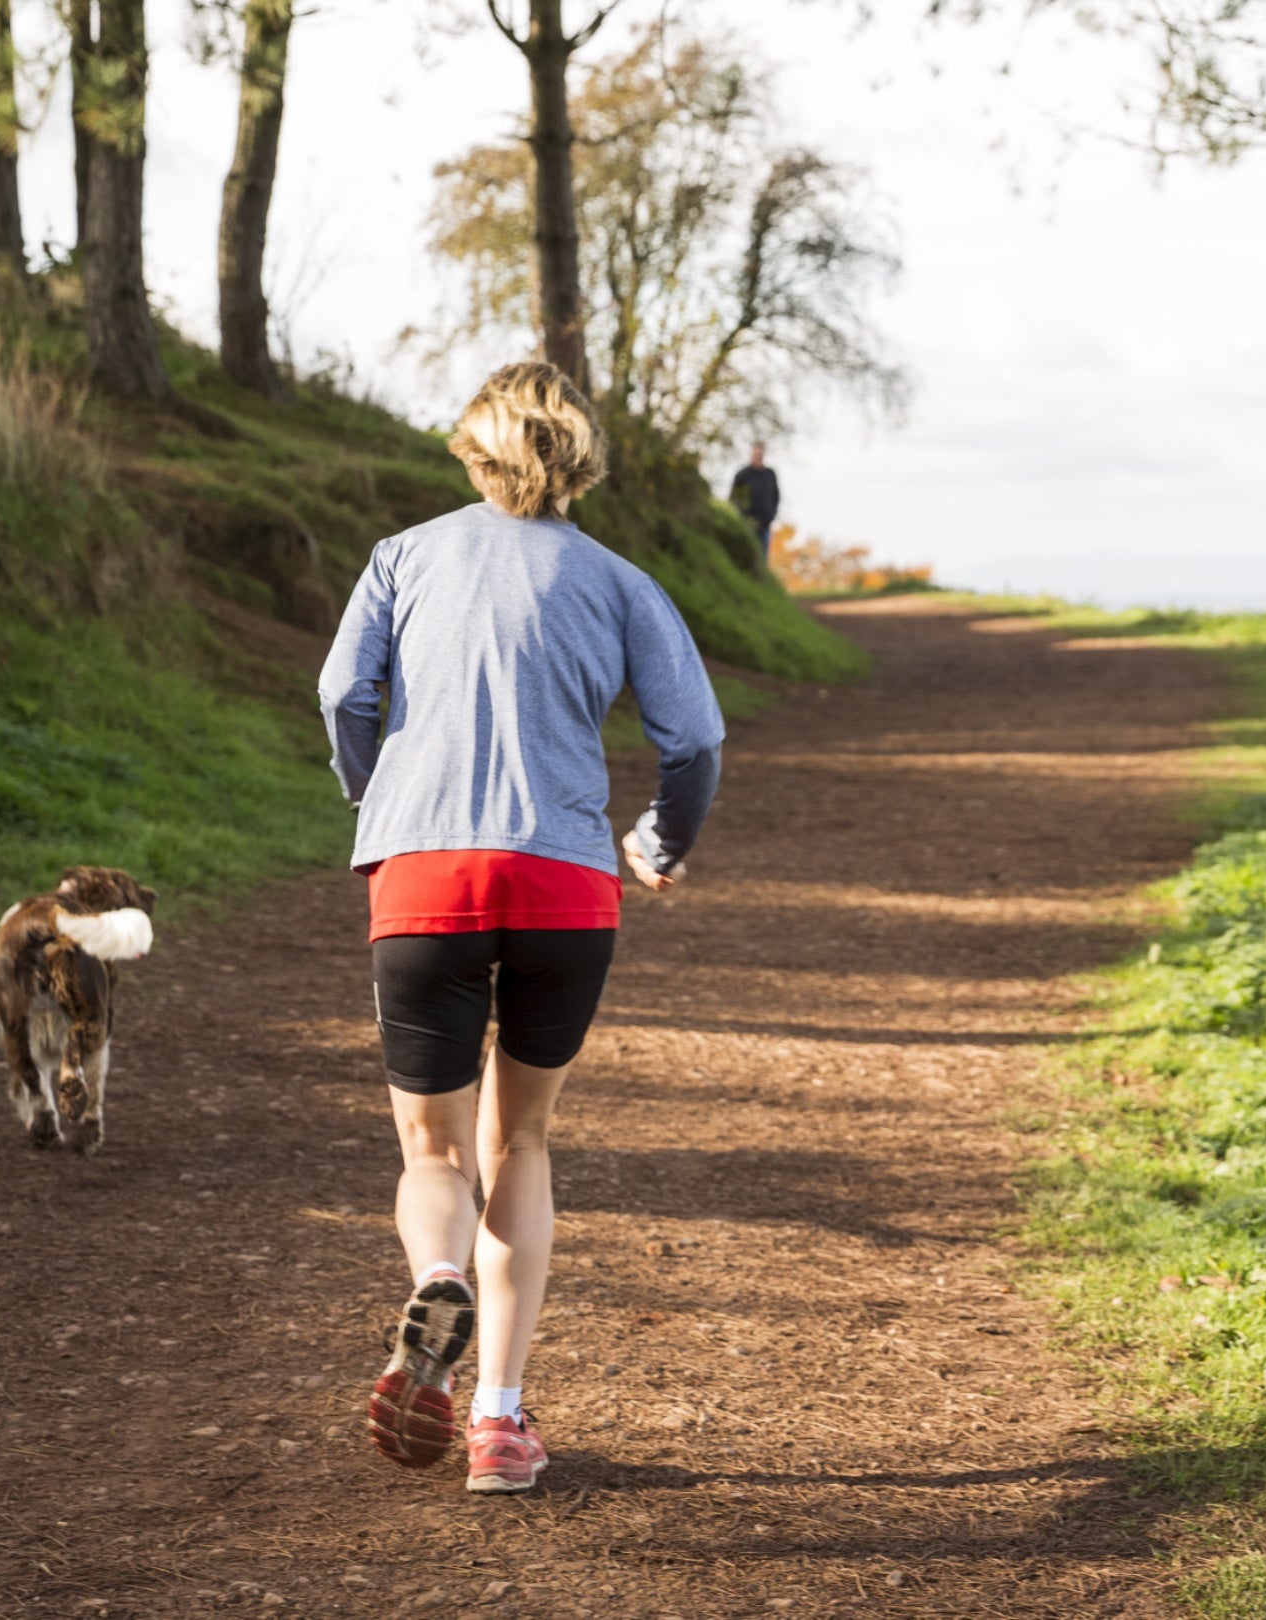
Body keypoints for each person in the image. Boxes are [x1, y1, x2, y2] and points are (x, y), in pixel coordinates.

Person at [316, 361, 725, 1494]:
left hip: (425, 877)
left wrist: (379, 797)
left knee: (433, 1149)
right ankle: (497, 1420)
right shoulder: (623, 582)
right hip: (562, 882)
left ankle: (435, 1271)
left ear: (475, 448)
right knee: (523, 1144)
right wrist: (657, 845)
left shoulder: (403, 557)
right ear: (578, 457)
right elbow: (694, 740)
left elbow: (345, 696)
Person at [727, 442, 780, 573]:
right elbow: (733, 498)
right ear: (751, 453)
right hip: (746, 524)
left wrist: (771, 516)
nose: (759, 455)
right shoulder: (743, 475)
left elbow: (776, 496)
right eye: (757, 452)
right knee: (746, 558)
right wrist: (743, 517)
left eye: (761, 453)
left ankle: (762, 586)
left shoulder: (770, 474)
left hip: (765, 524)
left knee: (763, 560)